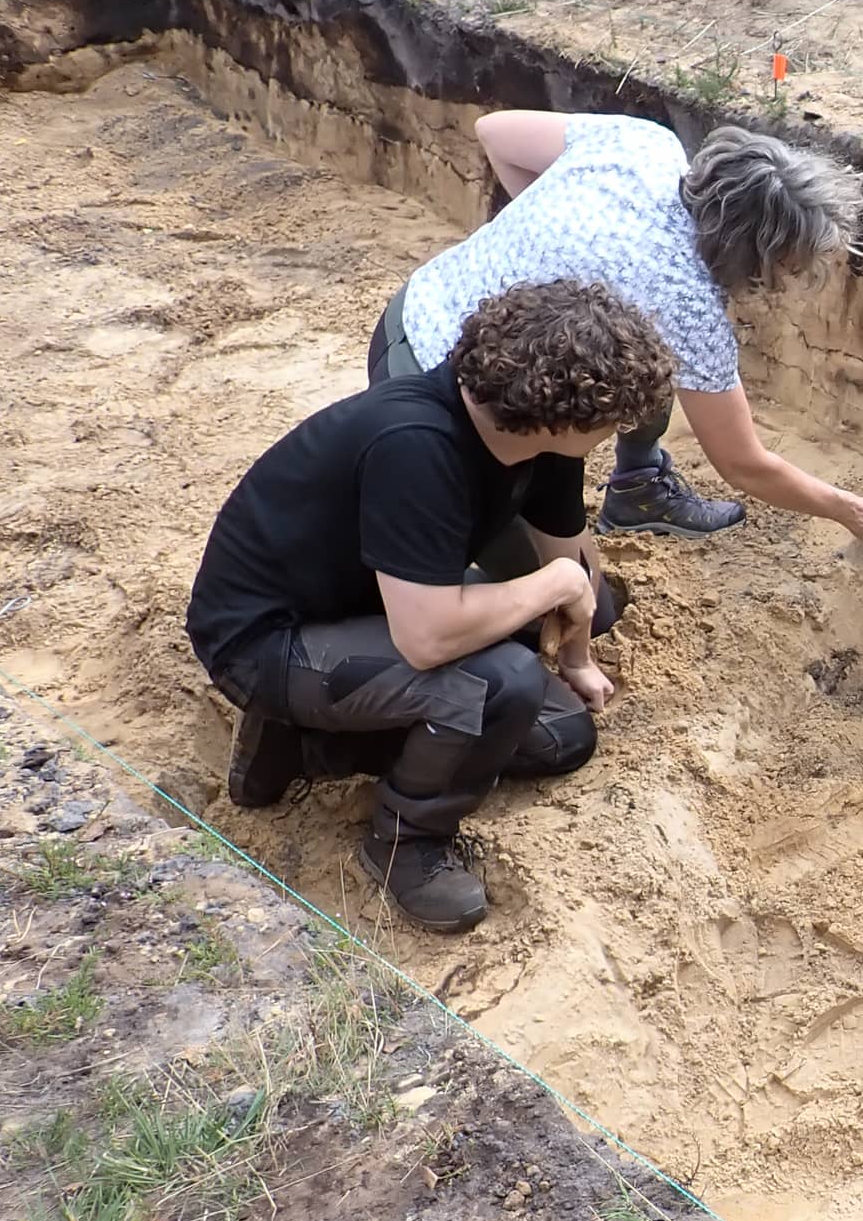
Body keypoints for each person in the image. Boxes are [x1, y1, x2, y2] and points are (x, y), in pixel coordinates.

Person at [186, 280, 677, 934]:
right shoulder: (416, 444)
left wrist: (579, 657)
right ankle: (406, 842)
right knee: (499, 685)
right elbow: (429, 638)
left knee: (561, 737)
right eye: (613, 420)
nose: (618, 430)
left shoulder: (537, 439)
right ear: (565, 420)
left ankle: (307, 747)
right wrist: (555, 585)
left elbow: (573, 570)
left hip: (368, 612)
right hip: (267, 643)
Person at [368, 108, 863, 549]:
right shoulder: (687, 305)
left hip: (409, 311)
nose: (789, 279)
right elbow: (744, 464)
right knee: (537, 589)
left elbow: (495, 131)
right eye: (791, 264)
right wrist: (848, 508)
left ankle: (637, 487)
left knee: (639, 349)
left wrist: (541, 237)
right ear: (758, 252)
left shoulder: (642, 144)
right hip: (446, 403)